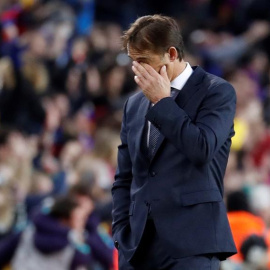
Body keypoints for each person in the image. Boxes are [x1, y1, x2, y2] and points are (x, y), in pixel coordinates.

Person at [111, 14, 237, 270]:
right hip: (137, 248)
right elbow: (125, 177)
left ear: (171, 53)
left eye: (144, 61)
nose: (138, 71)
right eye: (133, 62)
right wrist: (121, 231)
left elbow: (202, 148)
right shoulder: (133, 105)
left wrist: (163, 103)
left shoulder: (217, 92)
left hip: (193, 245)